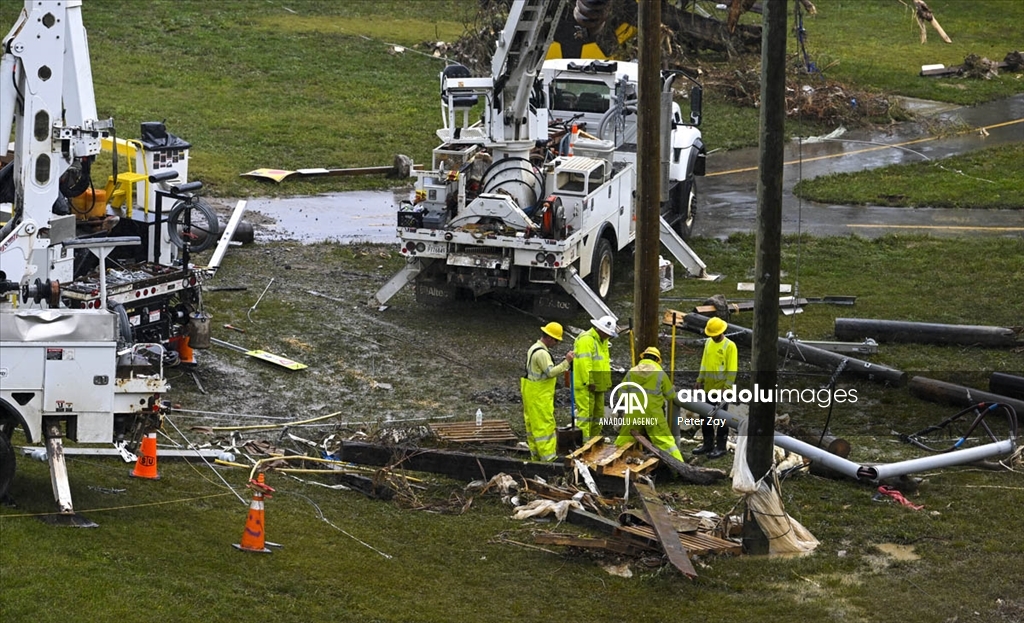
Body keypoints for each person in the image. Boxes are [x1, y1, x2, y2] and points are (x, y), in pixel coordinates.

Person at [614, 346, 685, 462]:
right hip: (653, 413)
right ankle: (679, 469)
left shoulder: (632, 372)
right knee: (666, 443)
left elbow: (621, 391)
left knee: (624, 440)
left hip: (634, 411)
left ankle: (611, 462)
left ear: (643, 357)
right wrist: (671, 388)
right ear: (657, 360)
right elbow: (671, 395)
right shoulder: (660, 374)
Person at [521, 322, 574, 462]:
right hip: (540, 395)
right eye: (556, 340)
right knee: (545, 426)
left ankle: (536, 456)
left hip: (531, 392)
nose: (556, 343)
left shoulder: (534, 348)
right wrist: (566, 362)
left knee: (533, 426)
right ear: (550, 337)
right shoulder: (542, 353)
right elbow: (550, 372)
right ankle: (549, 459)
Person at [694, 316, 738, 459]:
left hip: (722, 390)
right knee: (705, 415)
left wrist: (726, 388)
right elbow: (704, 363)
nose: (712, 337)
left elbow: (732, 369)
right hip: (709, 388)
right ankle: (708, 444)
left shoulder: (729, 346)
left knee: (720, 417)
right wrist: (700, 379)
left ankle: (720, 447)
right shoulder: (708, 343)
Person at [572, 314, 618, 440]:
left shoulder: (603, 341)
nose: (609, 336)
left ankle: (593, 442)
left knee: (598, 416)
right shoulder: (587, 340)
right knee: (585, 416)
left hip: (598, 386)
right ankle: (583, 445)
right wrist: (589, 381)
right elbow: (584, 363)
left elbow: (603, 363)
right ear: (601, 330)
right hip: (586, 386)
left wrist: (606, 383)